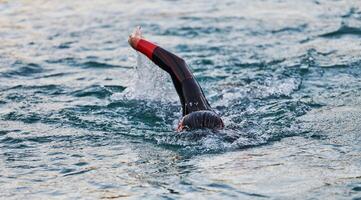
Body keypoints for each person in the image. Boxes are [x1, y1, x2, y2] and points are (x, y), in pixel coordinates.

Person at [128, 27, 224, 131]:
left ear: (180, 128)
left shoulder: (196, 107)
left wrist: (137, 42)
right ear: (222, 125)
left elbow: (178, 64)